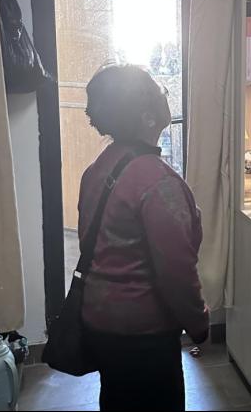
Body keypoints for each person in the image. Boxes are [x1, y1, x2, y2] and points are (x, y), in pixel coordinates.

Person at [79, 63, 209, 411]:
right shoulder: (156, 181)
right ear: (148, 116)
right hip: (144, 333)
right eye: (159, 90)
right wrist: (199, 323)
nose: (165, 94)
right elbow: (177, 270)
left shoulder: (99, 169)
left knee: (117, 399)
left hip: (103, 322)